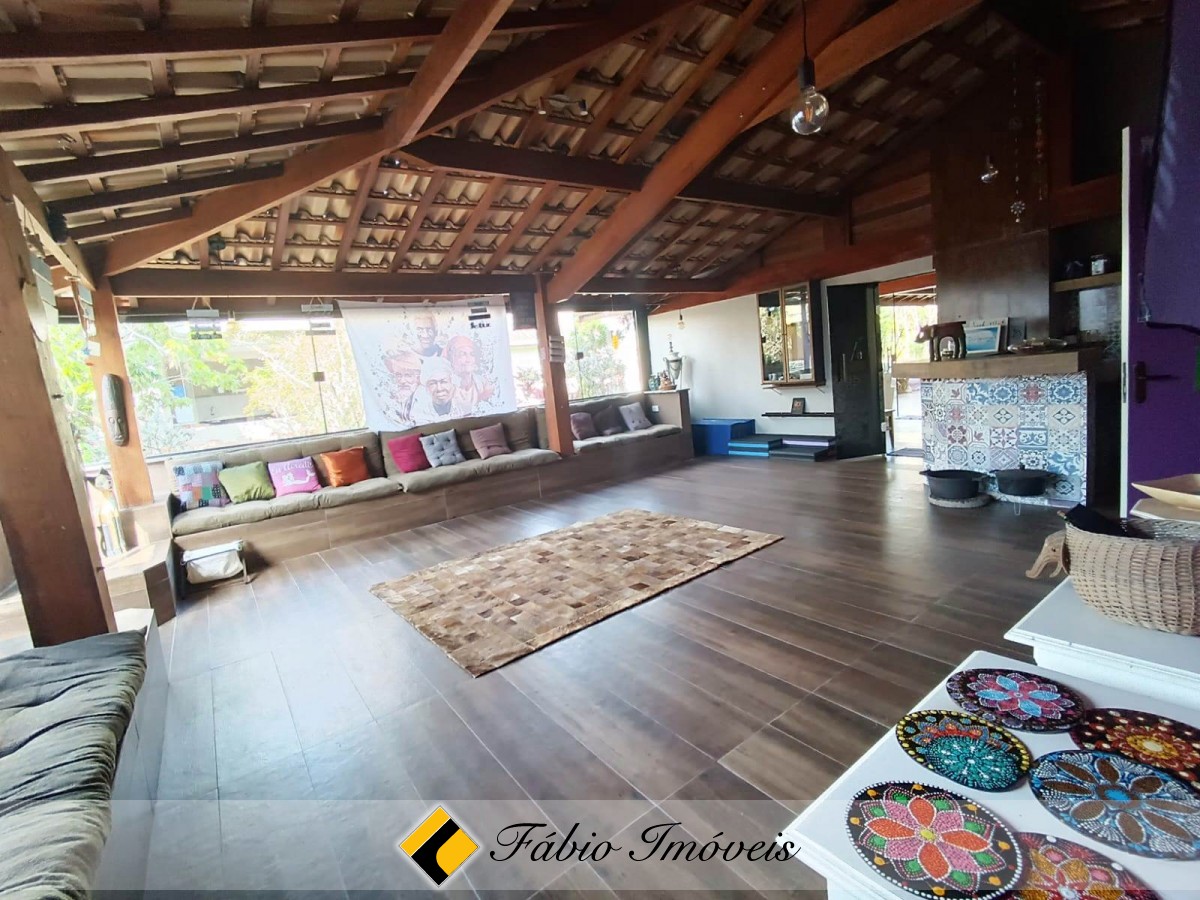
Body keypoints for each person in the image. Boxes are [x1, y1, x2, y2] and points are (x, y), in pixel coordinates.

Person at [444, 334, 494, 414]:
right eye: (462, 354)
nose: (468, 360)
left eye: (472, 354)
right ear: (451, 359)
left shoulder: (483, 383)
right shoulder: (444, 385)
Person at [410, 355, 462, 423]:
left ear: (452, 384)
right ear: (427, 388)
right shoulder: (419, 414)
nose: (439, 388)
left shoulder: (463, 408)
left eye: (443, 382)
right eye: (433, 383)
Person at [380, 348, 424, 426]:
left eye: (408, 375)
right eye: (398, 375)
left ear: (418, 378)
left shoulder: (424, 398)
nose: (402, 381)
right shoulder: (393, 397)